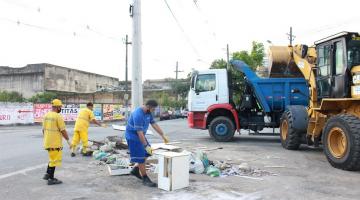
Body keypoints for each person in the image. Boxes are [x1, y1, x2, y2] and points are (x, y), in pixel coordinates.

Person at [125, 100, 169, 187]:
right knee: (141, 156)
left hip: (140, 135)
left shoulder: (148, 113)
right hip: (133, 136)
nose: (154, 111)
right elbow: (139, 132)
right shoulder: (138, 114)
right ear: (148, 107)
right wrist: (145, 145)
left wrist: (163, 135)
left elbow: (154, 124)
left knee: (148, 152)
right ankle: (145, 178)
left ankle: (136, 169)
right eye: (153, 109)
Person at [42, 99, 71, 185]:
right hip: (55, 143)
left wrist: (47, 138)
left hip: (48, 141)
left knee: (52, 158)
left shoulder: (46, 115)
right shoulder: (58, 117)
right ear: (58, 107)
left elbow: (43, 130)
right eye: (60, 107)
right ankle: (51, 179)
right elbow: (63, 130)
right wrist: (68, 140)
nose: (60, 108)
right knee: (54, 160)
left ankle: (47, 174)